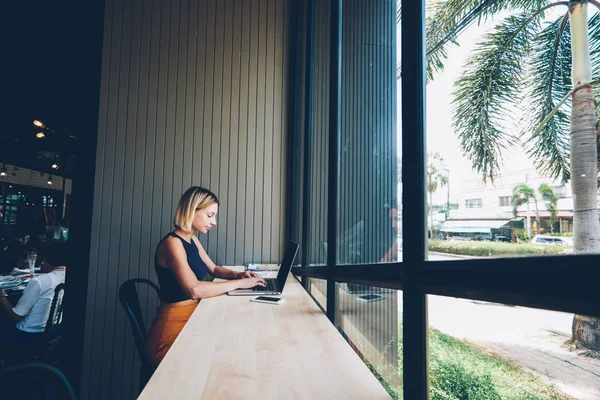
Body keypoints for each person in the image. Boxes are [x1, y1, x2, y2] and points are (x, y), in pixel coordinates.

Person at [147, 186, 266, 365]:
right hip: (172, 331)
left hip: (192, 317)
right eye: (210, 215)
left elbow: (214, 269)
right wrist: (239, 284)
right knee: (219, 358)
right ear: (191, 210)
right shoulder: (172, 244)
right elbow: (194, 289)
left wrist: (239, 275)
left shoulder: (192, 239)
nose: (214, 222)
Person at [0, 241, 67, 366]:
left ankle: (6, 364)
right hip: (54, 331)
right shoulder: (68, 276)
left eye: (43, 260)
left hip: (29, 334)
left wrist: (2, 296)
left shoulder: (40, 281)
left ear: (47, 260)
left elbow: (15, 316)